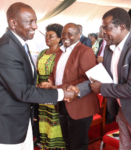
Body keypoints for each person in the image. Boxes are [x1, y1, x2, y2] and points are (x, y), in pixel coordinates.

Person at [67, 7, 131, 150]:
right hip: (121, 110)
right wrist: (77, 90)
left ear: (122, 27)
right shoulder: (109, 48)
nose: (103, 32)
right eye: (102, 28)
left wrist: (102, 88)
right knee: (125, 147)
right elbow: (100, 77)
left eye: (107, 28)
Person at [0, 2, 76, 150]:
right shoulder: (7, 48)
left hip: (22, 118)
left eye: (35, 21)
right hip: (9, 124)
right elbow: (22, 91)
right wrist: (62, 93)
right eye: (30, 21)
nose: (35, 26)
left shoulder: (20, 44)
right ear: (13, 23)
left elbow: (24, 82)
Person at [42, 23, 100, 150]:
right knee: (67, 141)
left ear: (79, 35)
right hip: (63, 101)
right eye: (63, 33)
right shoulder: (60, 51)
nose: (65, 36)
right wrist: (50, 81)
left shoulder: (85, 51)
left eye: (70, 34)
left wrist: (56, 87)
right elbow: (54, 73)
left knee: (77, 144)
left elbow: (86, 79)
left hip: (79, 104)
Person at [36, 23, 65, 150]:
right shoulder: (42, 53)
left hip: (54, 90)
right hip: (41, 91)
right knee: (44, 117)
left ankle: (55, 146)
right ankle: (45, 144)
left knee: (54, 118)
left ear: (59, 38)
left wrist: (52, 85)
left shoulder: (62, 53)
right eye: (46, 36)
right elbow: (37, 71)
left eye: (51, 36)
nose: (47, 38)